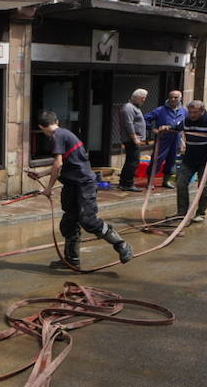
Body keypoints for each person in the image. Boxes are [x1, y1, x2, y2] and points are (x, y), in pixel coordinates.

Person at [29, 110, 133, 267]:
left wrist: (49, 188)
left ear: (40, 127)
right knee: (69, 221)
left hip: (84, 184)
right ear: (56, 121)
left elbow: (58, 164)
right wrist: (41, 174)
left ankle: (122, 245)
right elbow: (63, 161)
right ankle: (72, 260)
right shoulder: (63, 133)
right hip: (72, 183)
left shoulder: (56, 136)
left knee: (88, 220)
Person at [175, 100, 207, 222]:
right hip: (190, 158)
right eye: (190, 112)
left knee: (203, 187)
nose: (192, 115)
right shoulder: (186, 120)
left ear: (202, 111)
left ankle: (200, 213)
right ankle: (182, 212)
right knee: (181, 183)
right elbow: (175, 127)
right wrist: (165, 128)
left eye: (195, 112)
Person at [145, 90, 186, 188]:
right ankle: (150, 181)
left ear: (180, 98)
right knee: (157, 159)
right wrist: (152, 129)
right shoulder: (160, 110)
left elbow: (186, 125)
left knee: (172, 160)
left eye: (175, 97)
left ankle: (166, 181)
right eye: (171, 97)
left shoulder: (184, 111)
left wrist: (183, 140)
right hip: (163, 138)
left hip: (176, 138)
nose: (173, 99)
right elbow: (145, 119)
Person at [115, 88, 148, 192]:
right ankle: (127, 184)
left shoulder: (134, 107)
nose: (144, 100)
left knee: (131, 161)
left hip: (134, 139)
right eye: (143, 98)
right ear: (138, 97)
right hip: (131, 140)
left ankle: (125, 182)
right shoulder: (129, 108)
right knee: (133, 162)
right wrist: (134, 138)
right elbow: (128, 124)